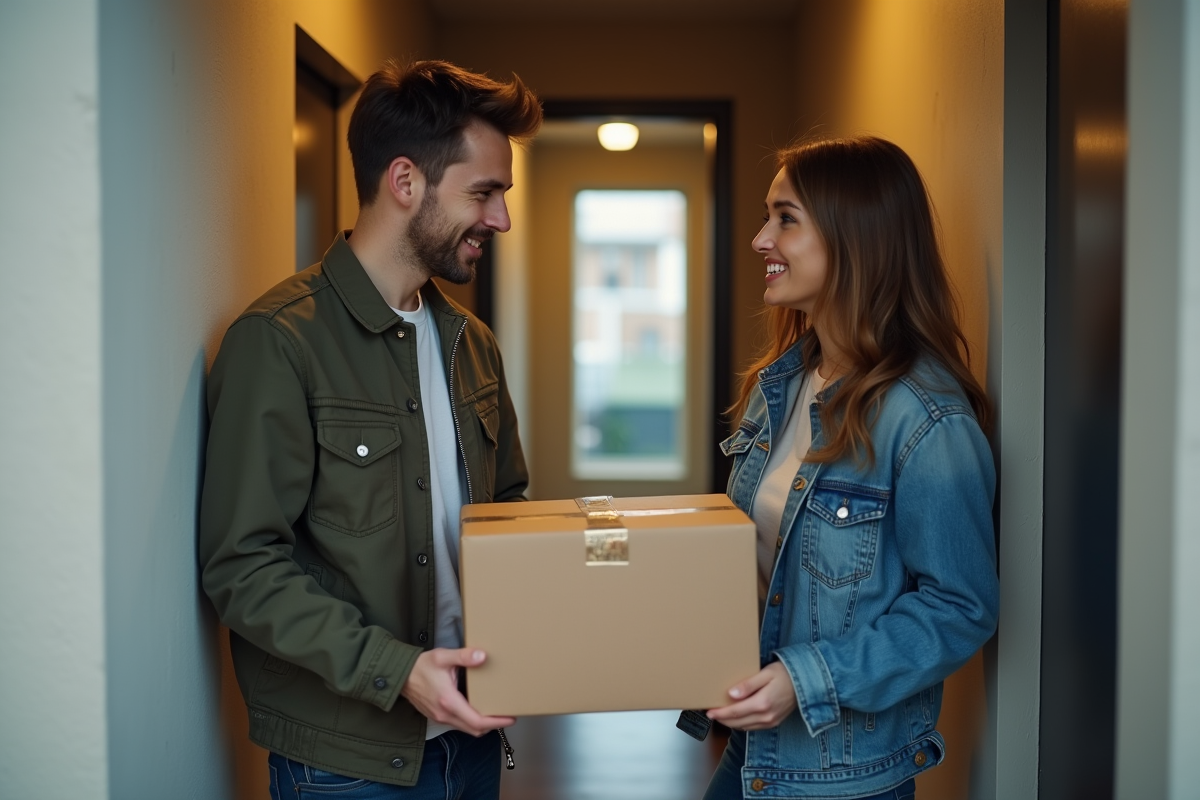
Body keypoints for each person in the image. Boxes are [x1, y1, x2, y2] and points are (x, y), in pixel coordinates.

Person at [198, 60, 541, 798]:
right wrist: (397, 670)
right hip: (344, 762)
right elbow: (243, 565)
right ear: (406, 180)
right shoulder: (280, 341)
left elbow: (506, 509)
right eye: (484, 193)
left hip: (473, 742)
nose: (502, 220)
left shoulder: (470, 343)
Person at [703, 136, 999, 799]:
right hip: (753, 747)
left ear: (855, 236)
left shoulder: (925, 418)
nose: (759, 239)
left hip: (841, 775)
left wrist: (804, 681)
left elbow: (961, 607)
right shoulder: (778, 386)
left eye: (785, 218)